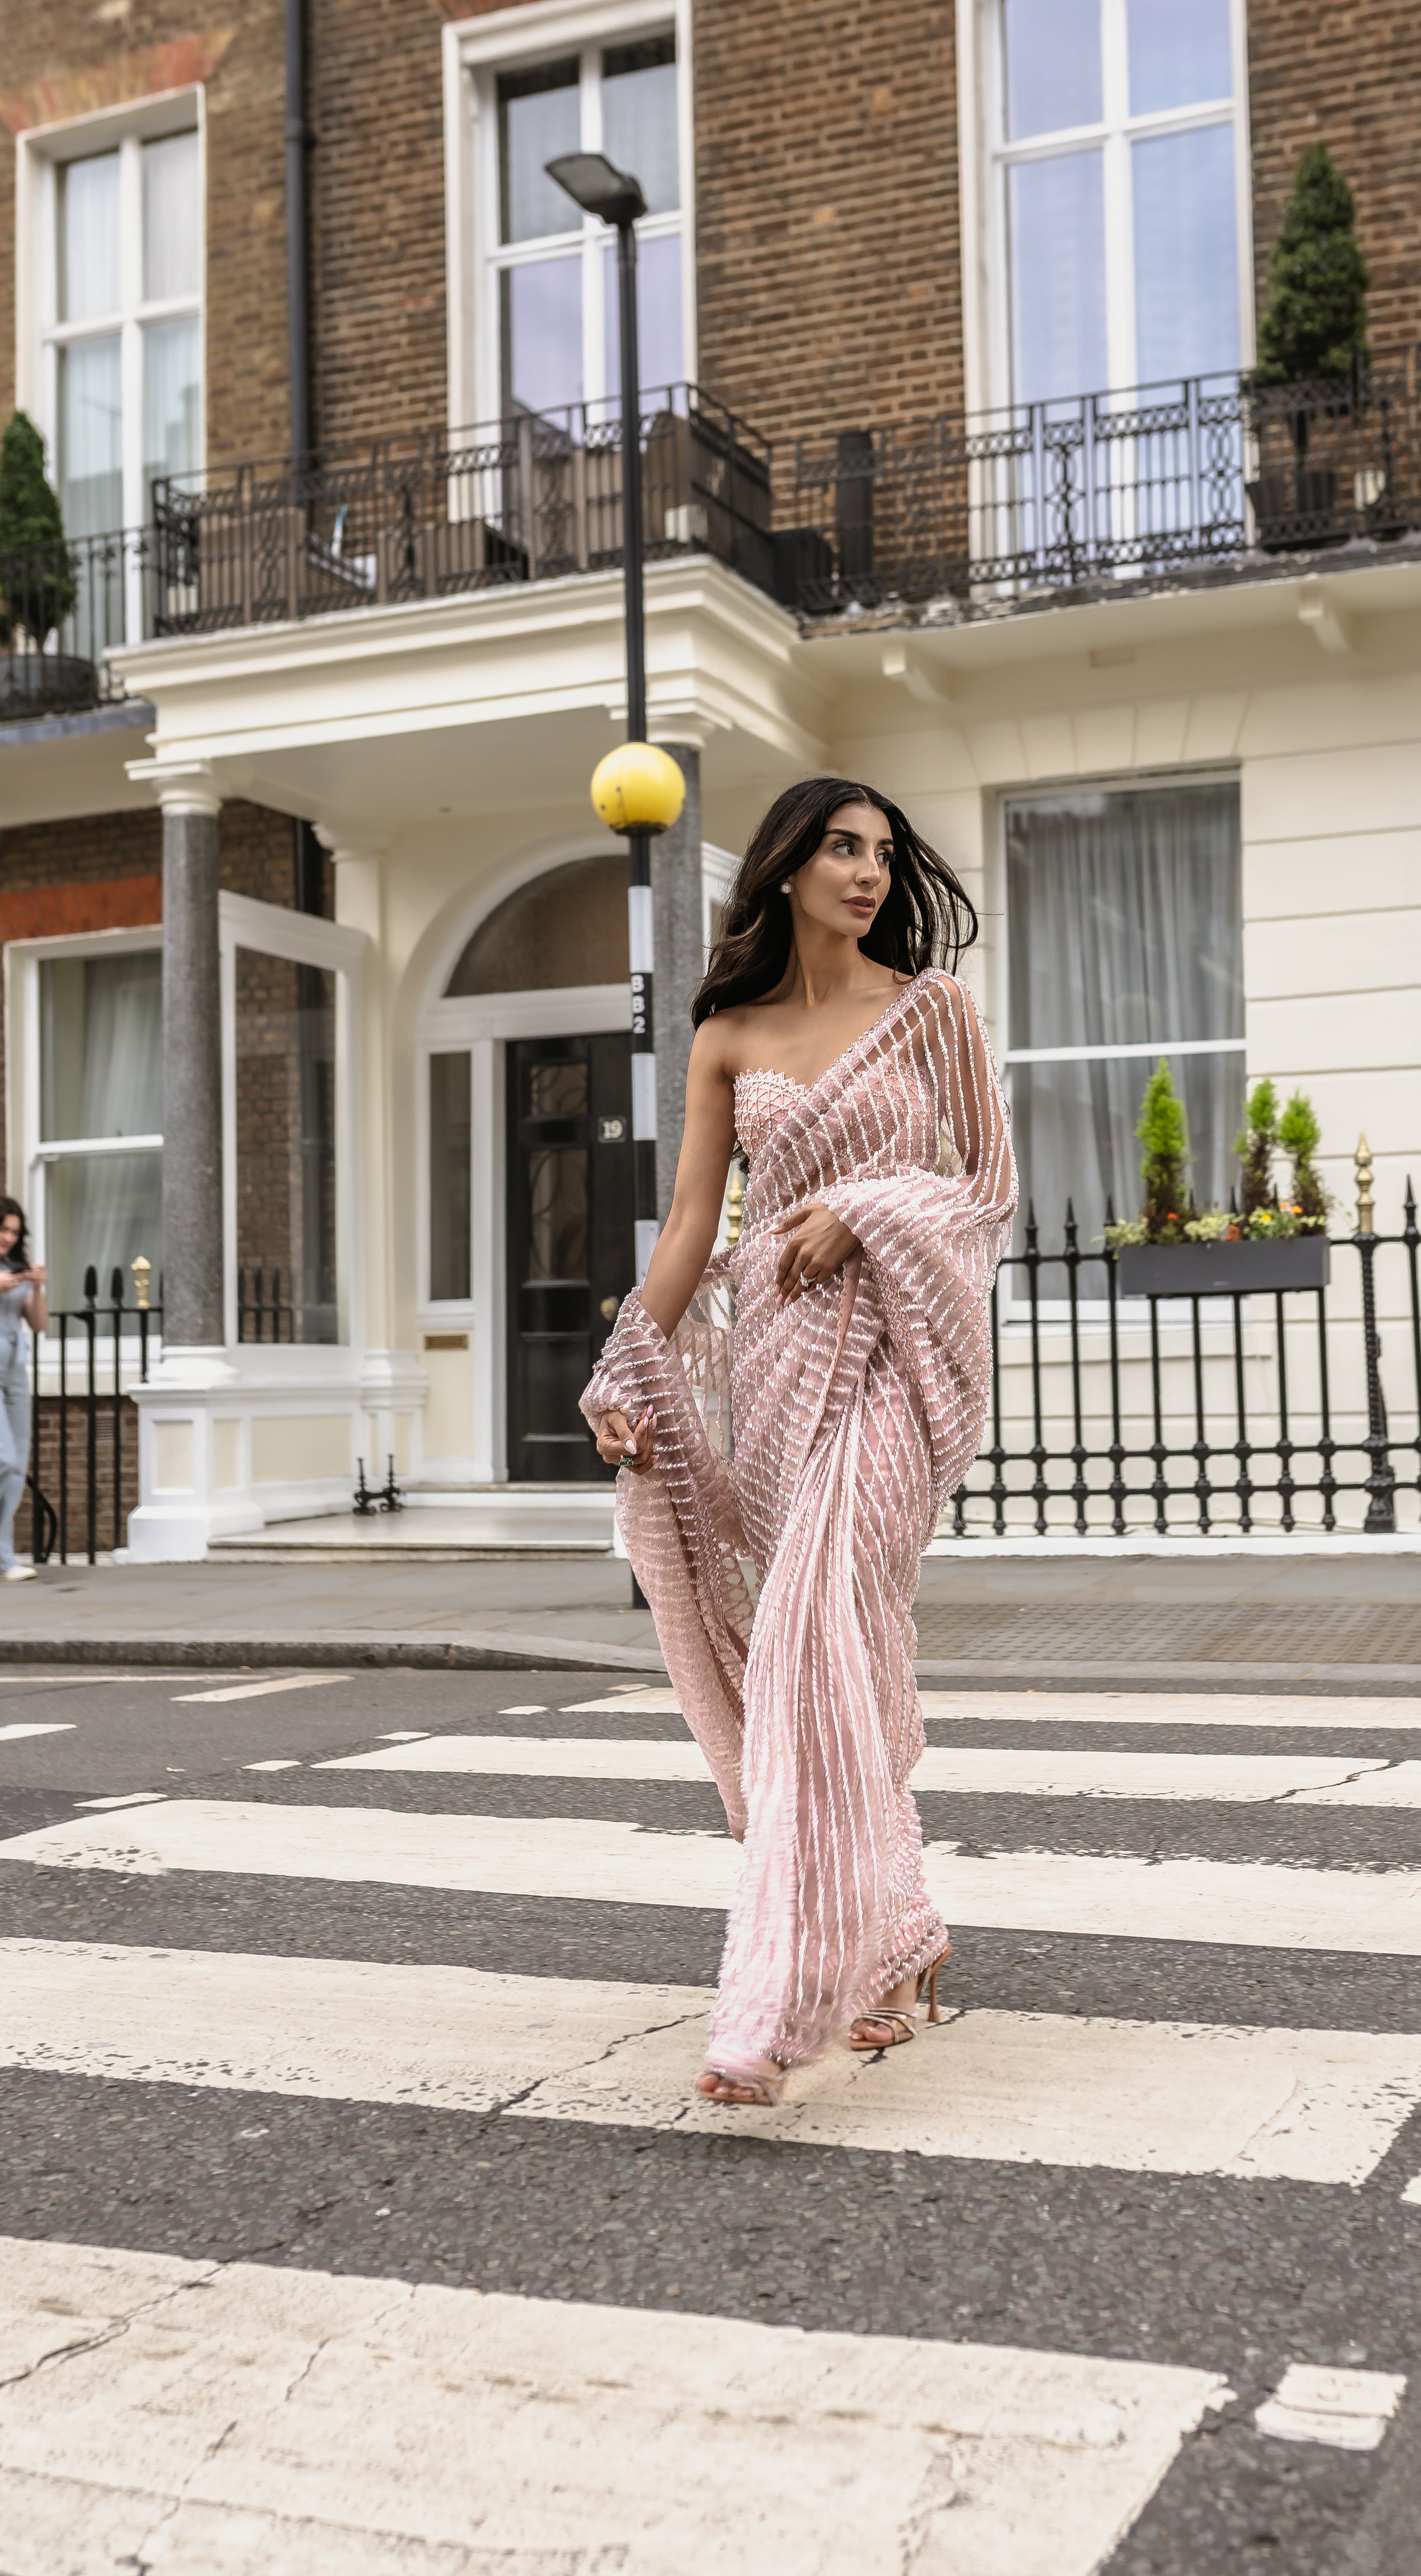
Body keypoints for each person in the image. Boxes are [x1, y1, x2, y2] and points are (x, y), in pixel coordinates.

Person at [582, 777, 1016, 2106]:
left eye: (883, 852)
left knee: (817, 1622)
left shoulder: (932, 1010)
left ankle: (784, 1996)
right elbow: (690, 1227)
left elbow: (986, 1186)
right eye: (841, 848)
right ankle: (896, 1928)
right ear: (784, 867)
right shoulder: (728, 1034)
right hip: (780, 1364)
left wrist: (867, 1209)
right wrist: (623, 1363)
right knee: (827, 1645)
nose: (869, 872)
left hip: (898, 1355)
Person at [0, 1194, 47, 1582]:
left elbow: (39, 1325)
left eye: (15, 1232)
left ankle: (0, 1558)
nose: (8, 1238)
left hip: (15, 1372)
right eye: (1, 1229)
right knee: (0, 1457)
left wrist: (36, 1289)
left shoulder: (13, 1268)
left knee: (15, 1467)